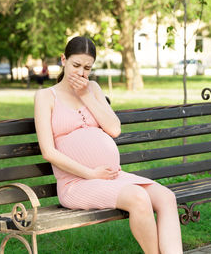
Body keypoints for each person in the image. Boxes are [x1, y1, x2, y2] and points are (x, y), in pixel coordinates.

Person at [34, 36, 182, 254]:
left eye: (87, 68)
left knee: (166, 197)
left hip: (112, 176)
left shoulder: (92, 88)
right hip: (76, 183)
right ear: (63, 60)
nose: (81, 73)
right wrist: (91, 173)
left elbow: (114, 129)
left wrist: (86, 96)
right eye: (76, 65)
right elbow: (48, 152)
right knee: (139, 198)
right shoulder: (46, 96)